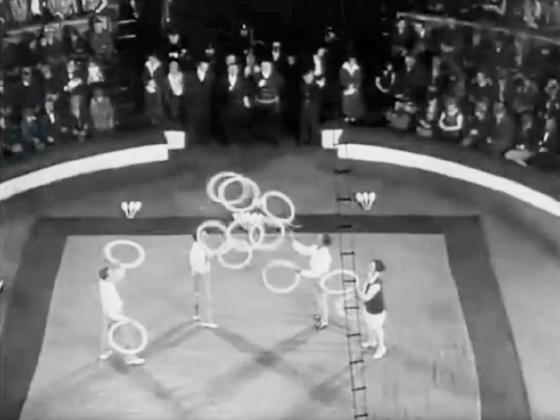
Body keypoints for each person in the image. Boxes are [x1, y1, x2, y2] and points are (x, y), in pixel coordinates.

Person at [98, 263, 146, 366]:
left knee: (107, 332)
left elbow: (117, 276)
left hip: (107, 313)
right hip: (115, 314)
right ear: (108, 277)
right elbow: (112, 311)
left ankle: (104, 352)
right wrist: (123, 319)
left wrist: (120, 266)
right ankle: (130, 358)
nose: (114, 273)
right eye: (112, 273)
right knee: (127, 335)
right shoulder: (109, 292)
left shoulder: (103, 282)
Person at [291, 233, 333, 330]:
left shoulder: (324, 255)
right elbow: (304, 250)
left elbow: (316, 273)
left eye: (320, 237)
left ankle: (324, 321)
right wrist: (293, 241)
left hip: (322, 279)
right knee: (318, 299)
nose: (317, 237)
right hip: (319, 278)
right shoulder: (316, 248)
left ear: (323, 242)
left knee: (322, 300)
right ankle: (321, 315)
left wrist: (301, 272)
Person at [357, 259, 387, 360]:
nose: (369, 268)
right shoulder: (370, 278)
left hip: (376, 311)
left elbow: (366, 297)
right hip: (369, 308)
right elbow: (364, 289)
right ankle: (371, 342)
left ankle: (381, 348)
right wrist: (361, 286)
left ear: (376, 269)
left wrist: (356, 288)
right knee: (369, 326)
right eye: (370, 266)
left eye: (372, 267)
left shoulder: (377, 284)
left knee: (378, 329)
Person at [189, 232, 217, 328]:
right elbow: (208, 256)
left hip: (196, 273)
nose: (206, 236)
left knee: (197, 294)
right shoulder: (201, 247)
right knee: (206, 296)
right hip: (203, 273)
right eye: (204, 234)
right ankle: (208, 320)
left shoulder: (195, 246)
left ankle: (196, 314)